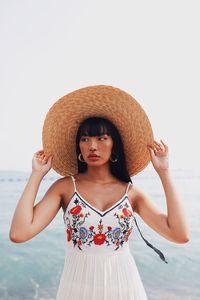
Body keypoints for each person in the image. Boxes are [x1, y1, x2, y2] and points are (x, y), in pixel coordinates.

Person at [9, 85, 190, 300]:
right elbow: (19, 233)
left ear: (115, 144)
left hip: (125, 287)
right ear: (79, 147)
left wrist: (164, 173)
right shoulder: (65, 188)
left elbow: (180, 234)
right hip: (76, 289)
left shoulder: (131, 194)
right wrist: (36, 175)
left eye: (101, 138)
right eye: (85, 139)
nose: (92, 146)